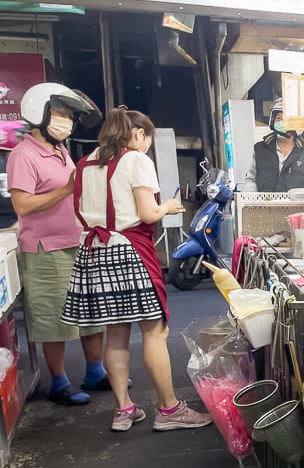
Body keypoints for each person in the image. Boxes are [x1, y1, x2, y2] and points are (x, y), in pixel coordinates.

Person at [60, 107, 211, 433]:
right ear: (139, 135)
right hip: (130, 253)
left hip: (94, 253)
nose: (147, 145)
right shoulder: (136, 160)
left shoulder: (85, 164)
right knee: (155, 333)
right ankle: (170, 409)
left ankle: (124, 409)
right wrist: (168, 206)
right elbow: (147, 213)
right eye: (148, 138)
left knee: (116, 334)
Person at [7, 83, 109, 406]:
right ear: (41, 113)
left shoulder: (60, 150)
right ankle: (59, 382)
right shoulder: (24, 155)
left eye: (70, 116)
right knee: (55, 317)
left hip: (76, 242)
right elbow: (22, 205)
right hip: (45, 250)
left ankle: (95, 371)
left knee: (91, 311)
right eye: (61, 113)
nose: (66, 121)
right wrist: (66, 190)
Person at [250, 99, 304, 192]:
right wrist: (253, 202)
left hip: (297, 206)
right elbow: (250, 180)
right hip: (265, 206)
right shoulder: (259, 149)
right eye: (278, 118)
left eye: (287, 119)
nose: (282, 122)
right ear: (272, 122)